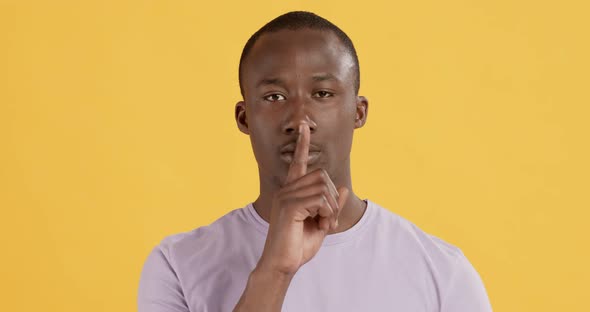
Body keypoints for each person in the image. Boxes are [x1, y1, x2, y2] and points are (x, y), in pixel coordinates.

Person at [138, 11, 492, 312]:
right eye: (274, 96)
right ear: (245, 118)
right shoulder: (178, 264)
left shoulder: (442, 272)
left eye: (322, 94)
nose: (300, 119)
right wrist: (275, 269)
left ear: (358, 111)